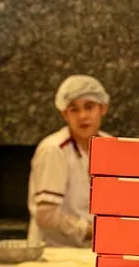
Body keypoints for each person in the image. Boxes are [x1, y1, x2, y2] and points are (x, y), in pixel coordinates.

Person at [27, 75, 111, 247]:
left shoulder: (111, 146)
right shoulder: (53, 149)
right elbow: (46, 216)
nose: (82, 116)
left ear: (103, 108)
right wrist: (90, 230)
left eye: (89, 107)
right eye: (74, 109)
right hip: (53, 252)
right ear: (65, 114)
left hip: (94, 250)